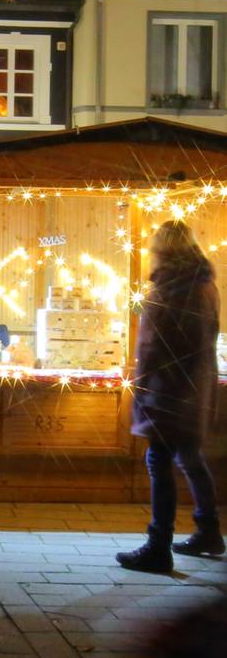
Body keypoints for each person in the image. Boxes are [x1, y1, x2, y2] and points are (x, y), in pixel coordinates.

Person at [117, 220, 224, 573]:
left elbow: (157, 345)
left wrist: (146, 384)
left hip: (168, 391)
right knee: (190, 458)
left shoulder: (173, 288)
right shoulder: (204, 284)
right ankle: (208, 530)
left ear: (163, 250)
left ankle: (158, 545)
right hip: (193, 390)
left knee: (159, 462)